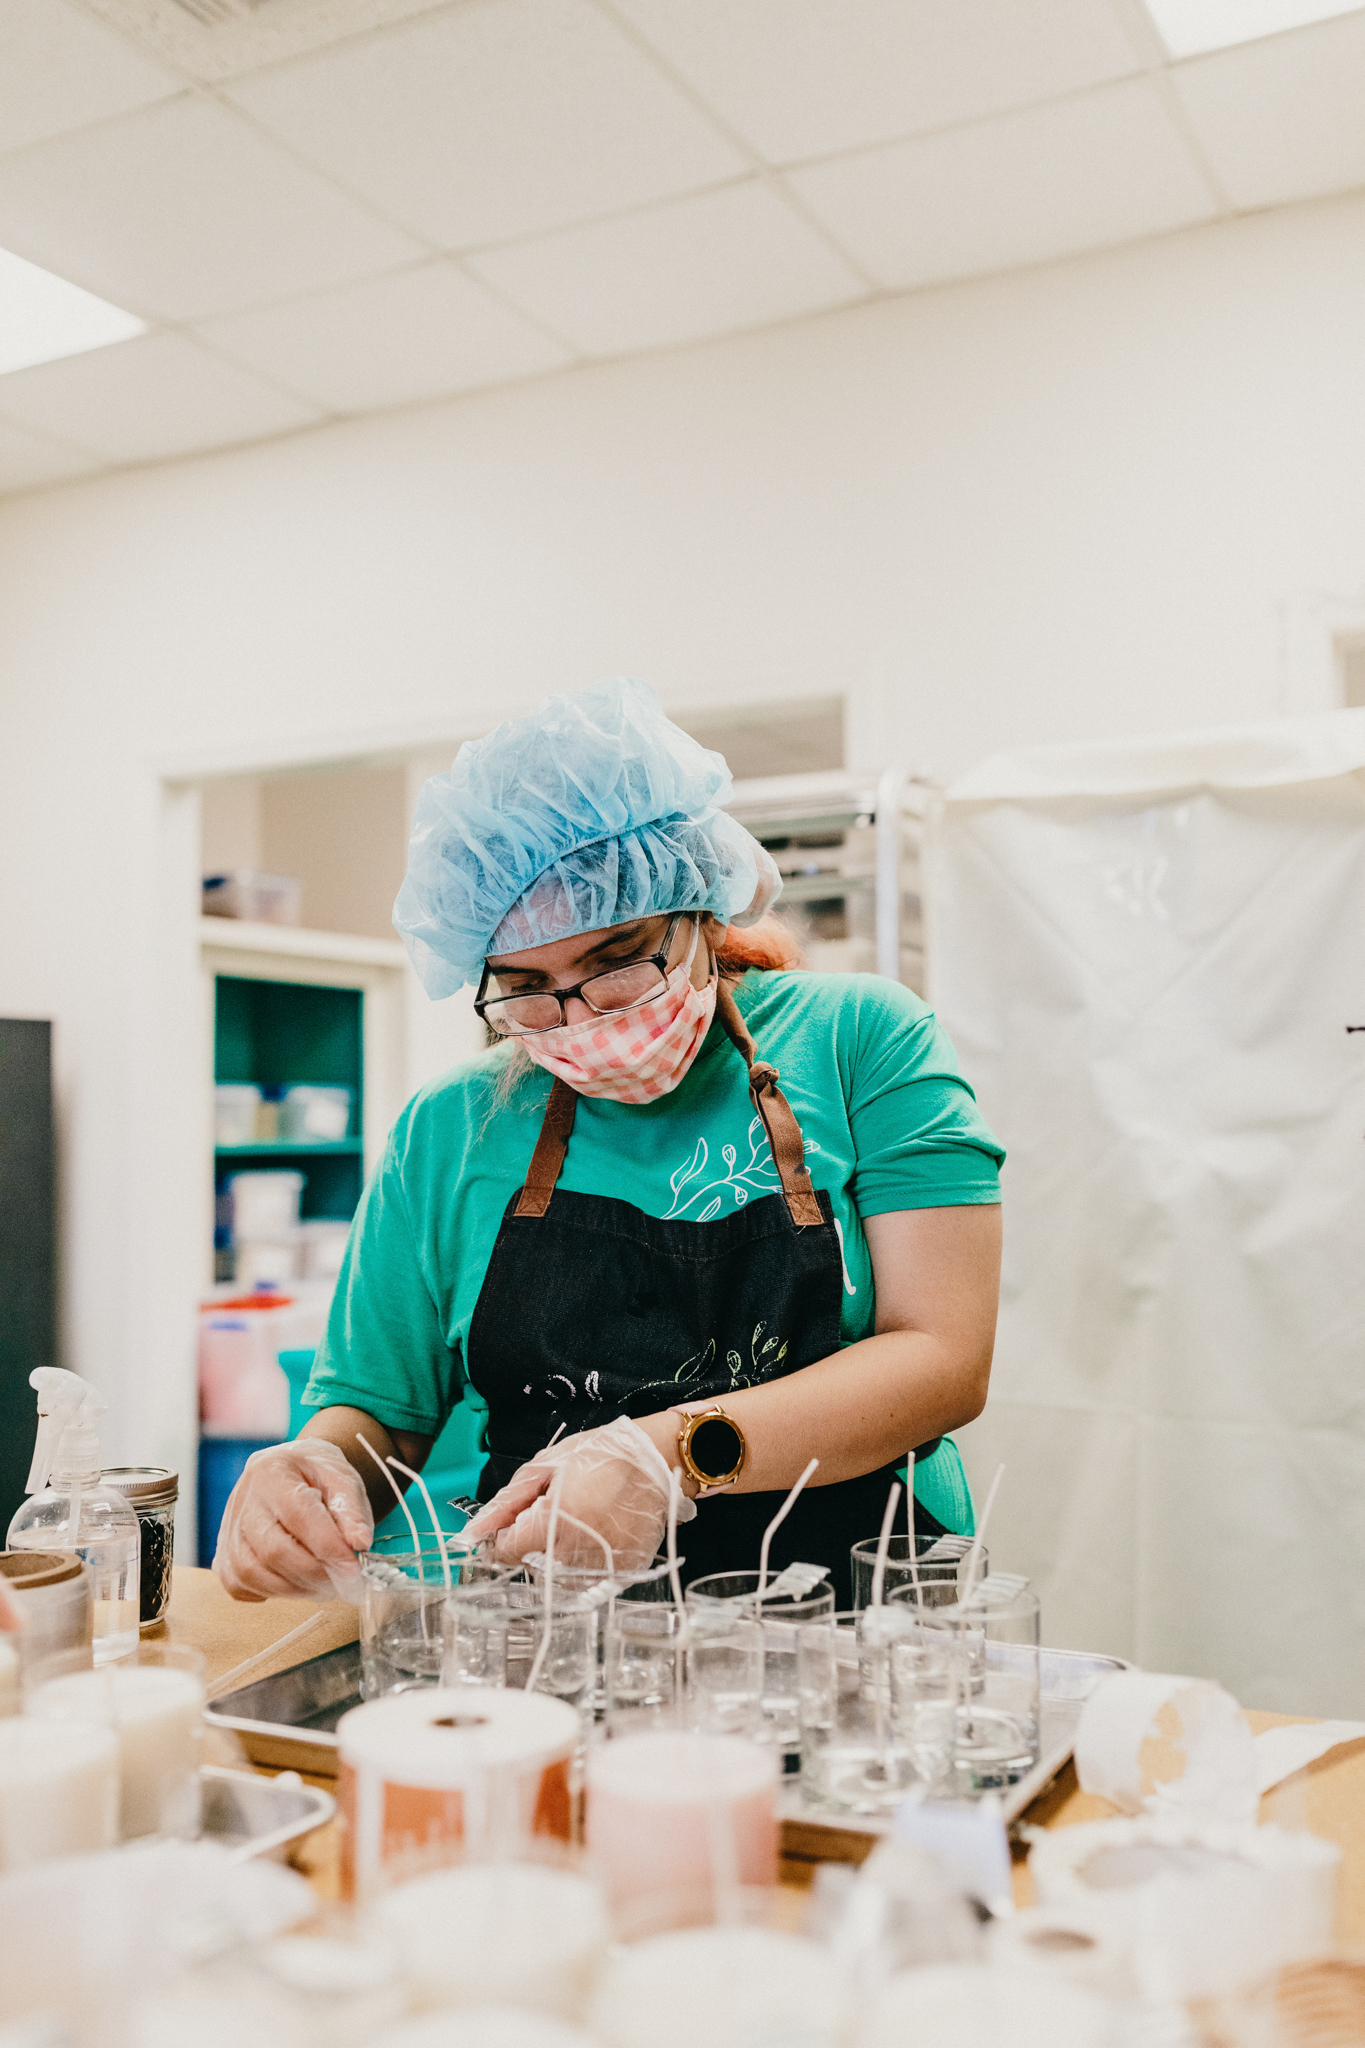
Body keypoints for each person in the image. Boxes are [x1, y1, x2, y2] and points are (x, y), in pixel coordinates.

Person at [214, 679, 1003, 1610]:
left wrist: (667, 1455)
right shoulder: (450, 1126)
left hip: (853, 1603)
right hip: (546, 1620)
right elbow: (379, 1414)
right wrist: (305, 1473)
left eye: (618, 963)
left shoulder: (859, 1040)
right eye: (527, 987)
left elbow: (942, 1358)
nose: (583, 1020)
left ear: (700, 911)